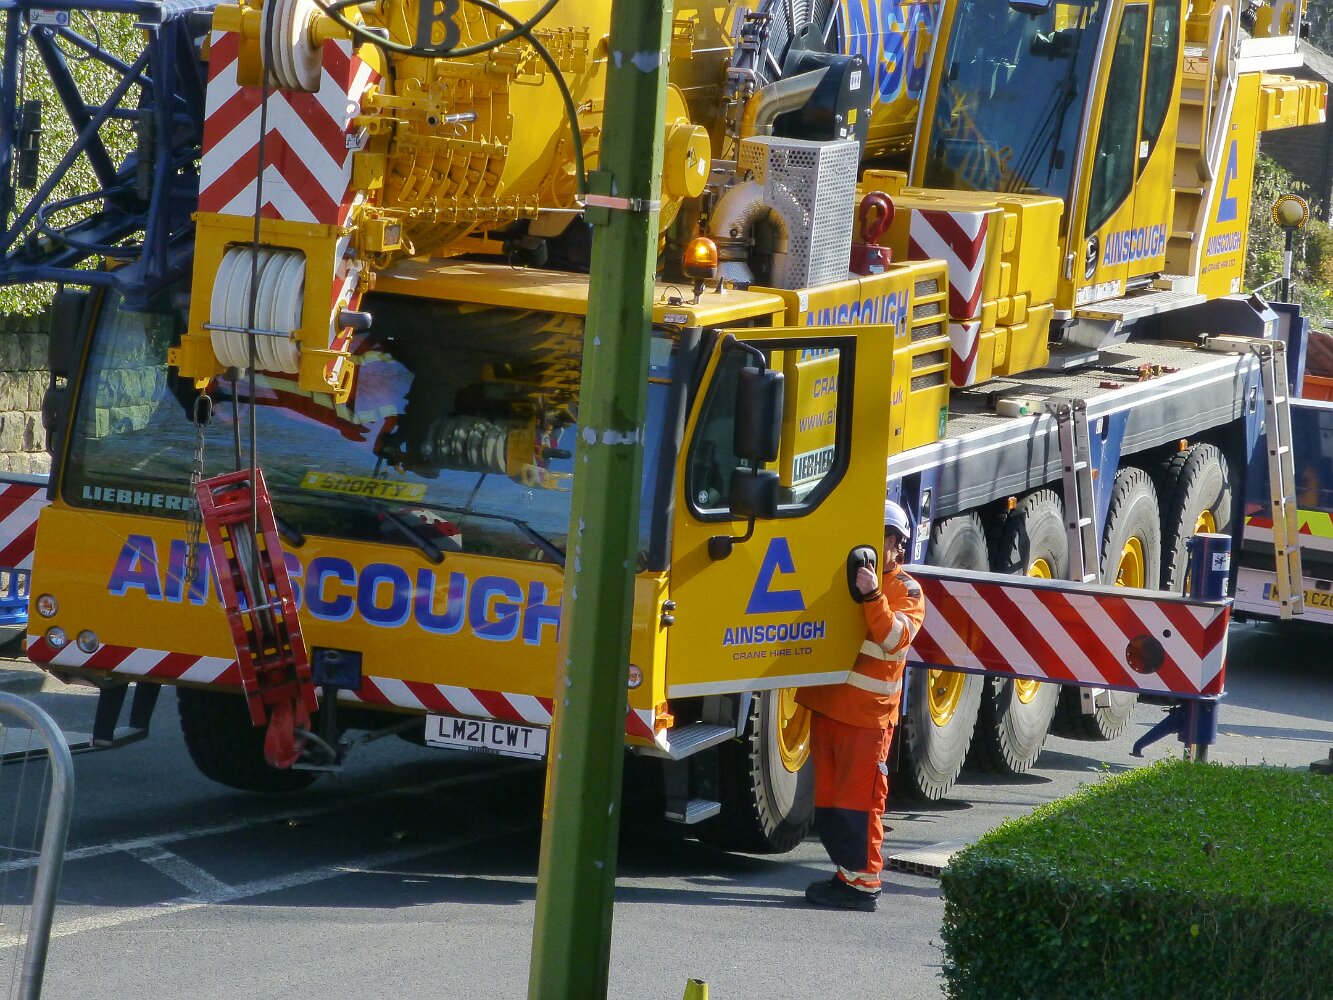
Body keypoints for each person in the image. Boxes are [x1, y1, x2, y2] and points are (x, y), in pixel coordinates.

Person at [796, 499, 925, 912]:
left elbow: (893, 639)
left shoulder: (905, 590)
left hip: (867, 719)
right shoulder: (839, 576)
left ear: (896, 544)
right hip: (828, 708)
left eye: (883, 537)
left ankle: (864, 885)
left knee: (861, 805)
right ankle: (846, 875)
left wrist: (872, 595)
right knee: (831, 804)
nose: (872, 545)